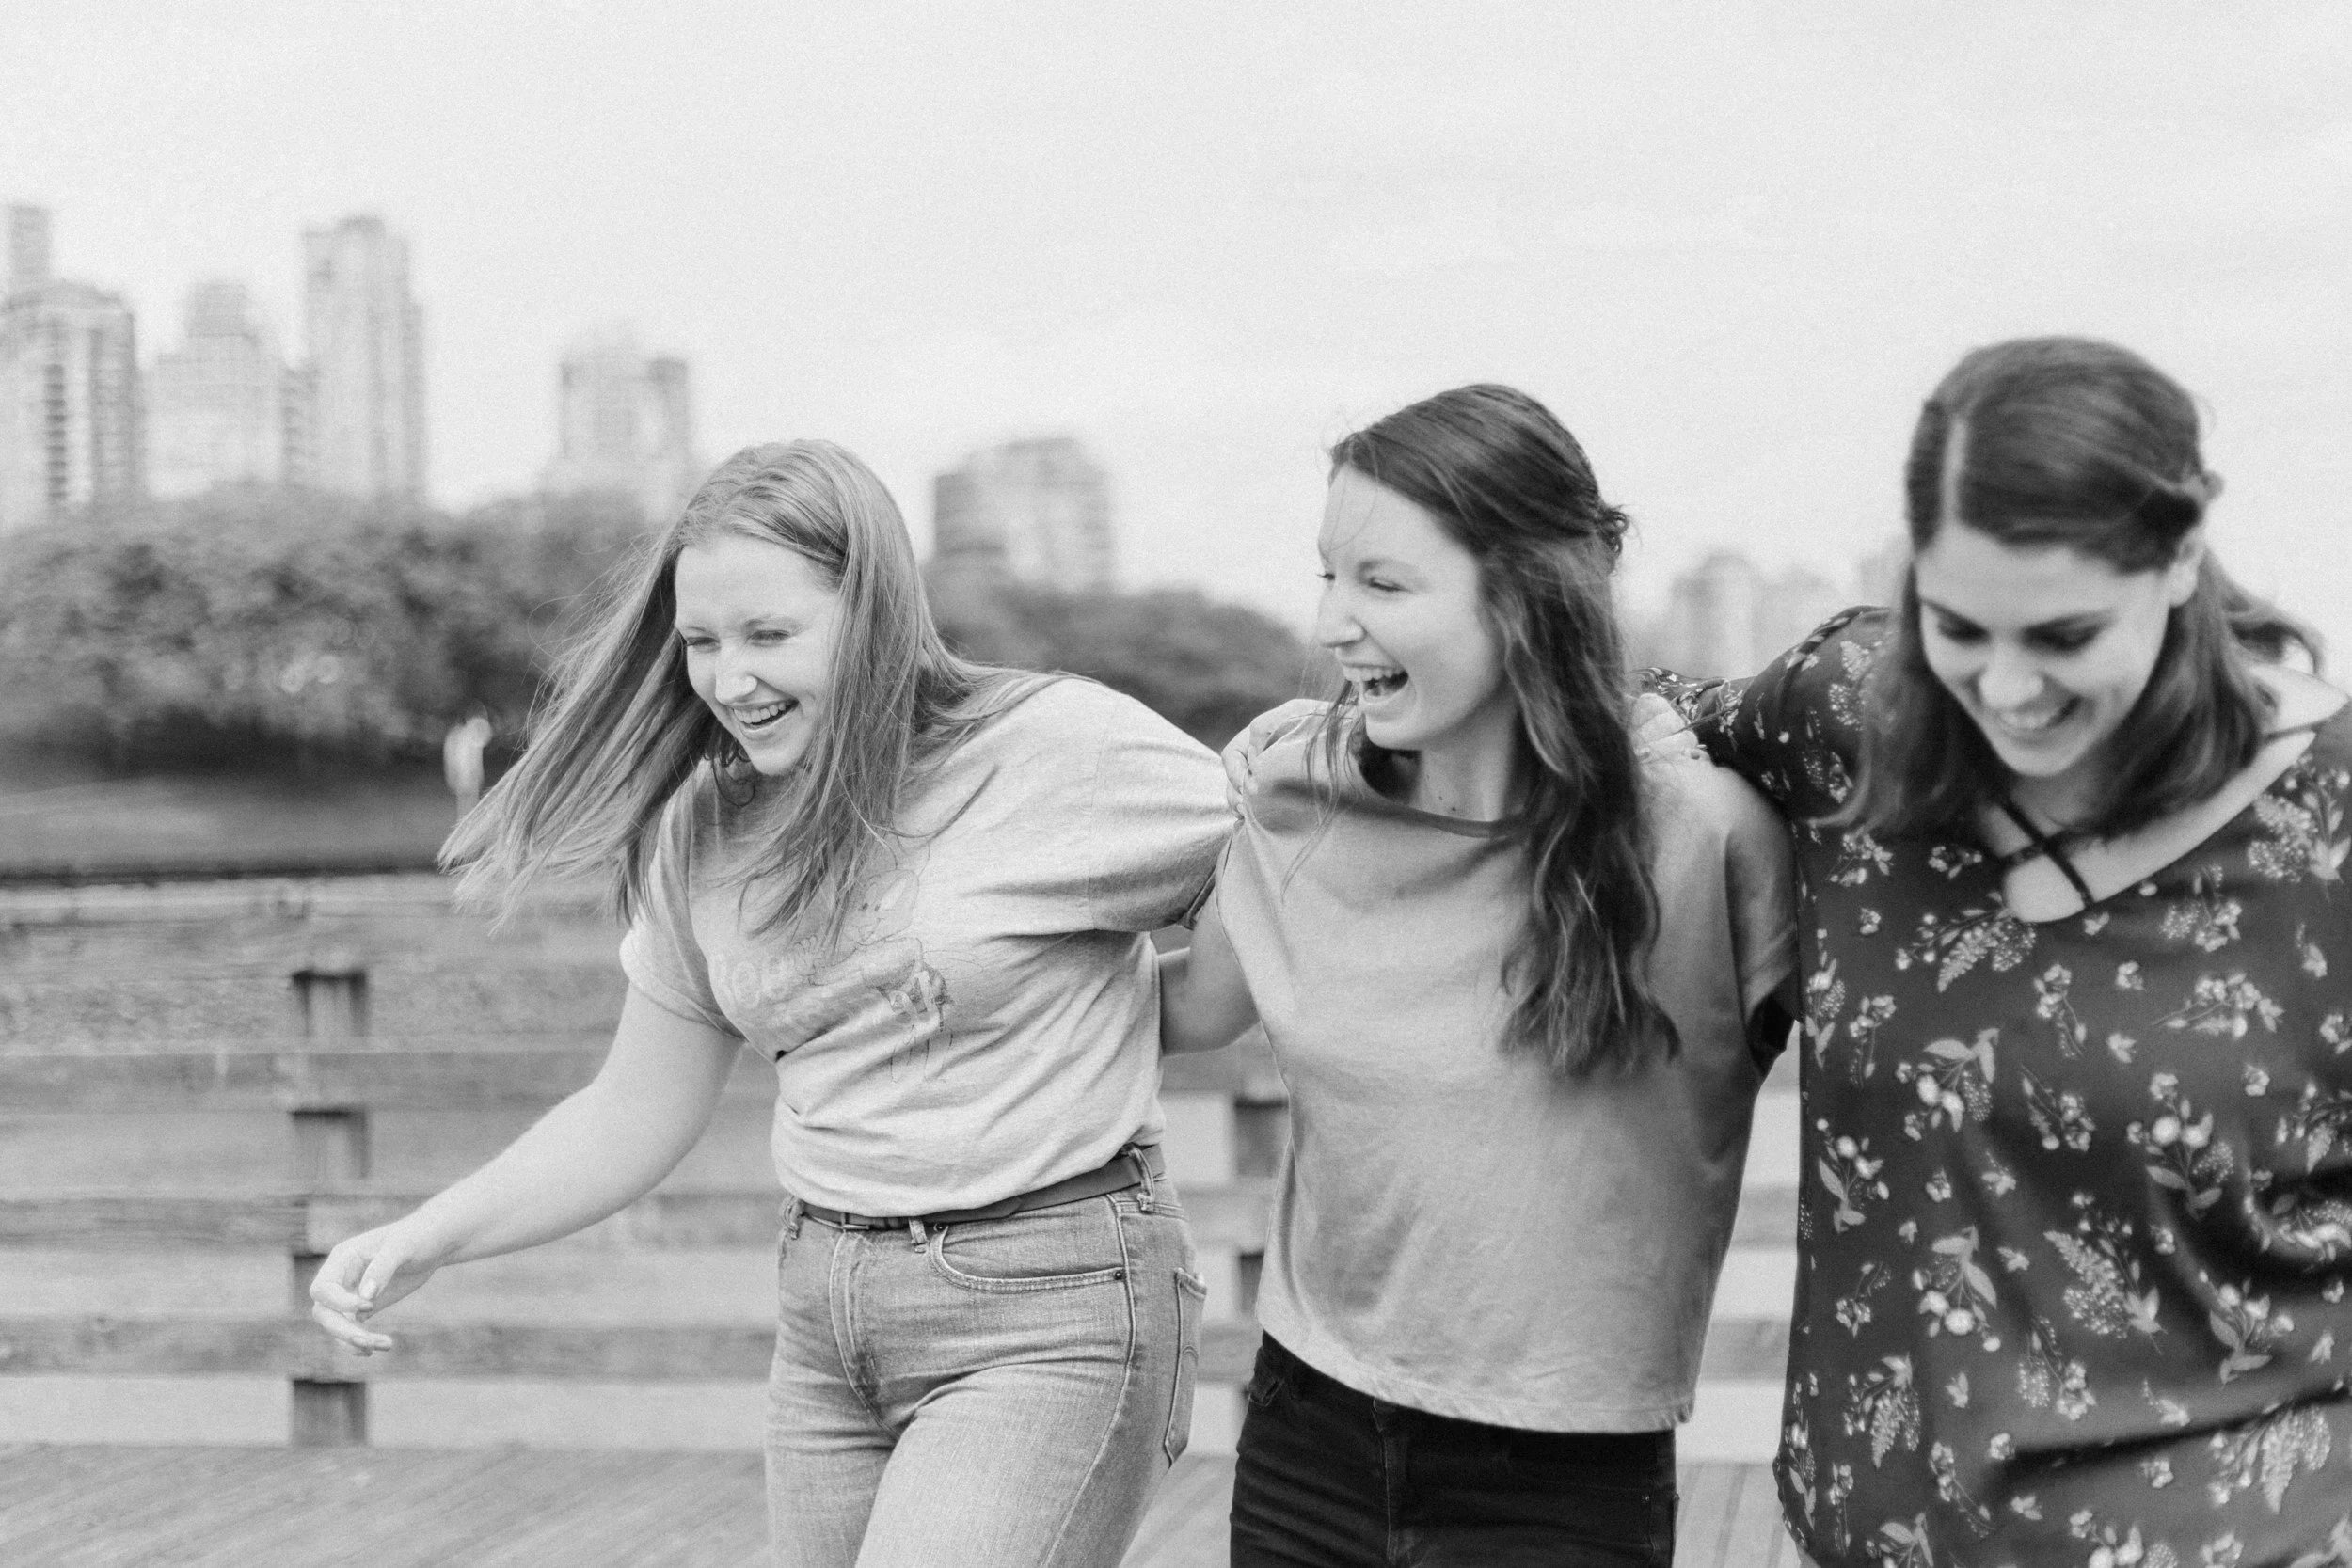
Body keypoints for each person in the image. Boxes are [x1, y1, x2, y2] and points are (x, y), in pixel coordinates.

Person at [308, 440, 1233, 1568]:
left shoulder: (1053, 751)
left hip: (1051, 1308)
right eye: (700, 641)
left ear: (875, 614)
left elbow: (1289, 887)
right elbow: (631, 1110)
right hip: (827, 1321)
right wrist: (427, 1234)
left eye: (770, 635)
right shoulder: (702, 825)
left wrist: (1141, 1012)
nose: (727, 677)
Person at [1650, 338, 2352, 1567]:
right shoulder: (1851, 709)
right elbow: (1636, 722)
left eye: (2067, 632)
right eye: (1958, 625)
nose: (2008, 686)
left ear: (2182, 557)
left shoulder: (2331, 820)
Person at [1161, 384, 1800, 1566]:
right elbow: (1188, 1011)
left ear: (1523, 598)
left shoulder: (1706, 839)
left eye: (1384, 583)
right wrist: (963, 966)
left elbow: (1906, 1057)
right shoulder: (1296, 802)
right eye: (1329, 575)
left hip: (1561, 1478)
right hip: (1310, 1430)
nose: (1337, 621)